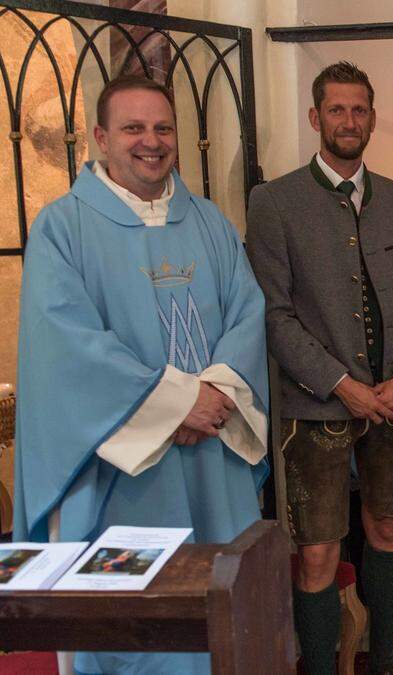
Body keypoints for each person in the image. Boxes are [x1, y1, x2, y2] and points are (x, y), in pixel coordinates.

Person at [13, 75, 268, 675]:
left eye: (162, 128)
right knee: (134, 633)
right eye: (132, 128)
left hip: (213, 455)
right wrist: (177, 404)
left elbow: (247, 314)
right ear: (101, 138)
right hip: (123, 476)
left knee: (223, 618)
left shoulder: (209, 223)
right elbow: (66, 345)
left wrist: (214, 397)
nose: (150, 142)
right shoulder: (63, 228)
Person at [245, 62, 393, 675]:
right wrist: (343, 385)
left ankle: (383, 661)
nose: (349, 120)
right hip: (316, 408)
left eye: (359, 110)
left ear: (373, 119)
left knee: (386, 530)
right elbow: (274, 316)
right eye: (337, 109)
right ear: (315, 118)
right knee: (318, 554)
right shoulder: (273, 202)